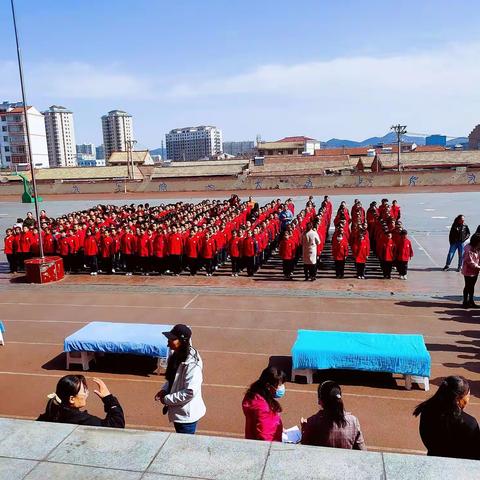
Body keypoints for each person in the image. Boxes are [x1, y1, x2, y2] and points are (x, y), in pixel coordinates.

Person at [413, 376, 480, 459]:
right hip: (460, 467)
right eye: (468, 395)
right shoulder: (469, 424)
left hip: (434, 460)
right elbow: (476, 454)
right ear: (458, 399)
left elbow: (426, 438)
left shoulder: (427, 411)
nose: (469, 399)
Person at [155, 324, 206, 434]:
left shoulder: (192, 364)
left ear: (182, 341)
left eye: (172, 339)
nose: (168, 342)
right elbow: (172, 379)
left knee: (185, 447)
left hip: (186, 417)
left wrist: (166, 399)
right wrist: (164, 390)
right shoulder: (176, 355)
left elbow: (190, 392)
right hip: (178, 413)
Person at [37, 375, 125, 428]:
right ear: (72, 399)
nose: (87, 393)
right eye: (84, 391)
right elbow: (116, 426)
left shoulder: (52, 409)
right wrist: (109, 399)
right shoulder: (81, 419)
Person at [301, 381, 365, 450]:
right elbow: (362, 450)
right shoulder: (353, 421)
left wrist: (304, 429)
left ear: (320, 401)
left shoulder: (312, 422)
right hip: (345, 460)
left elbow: (305, 449)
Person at [242, 366, 286, 442]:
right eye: (279, 385)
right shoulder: (263, 409)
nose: (281, 387)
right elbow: (265, 437)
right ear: (268, 386)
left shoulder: (253, 396)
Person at [461, 233, 480, 308]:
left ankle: (471, 301)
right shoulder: (468, 249)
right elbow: (470, 261)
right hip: (468, 271)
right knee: (468, 286)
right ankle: (465, 301)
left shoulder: (478, 248)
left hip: (475, 271)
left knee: (472, 286)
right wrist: (479, 267)